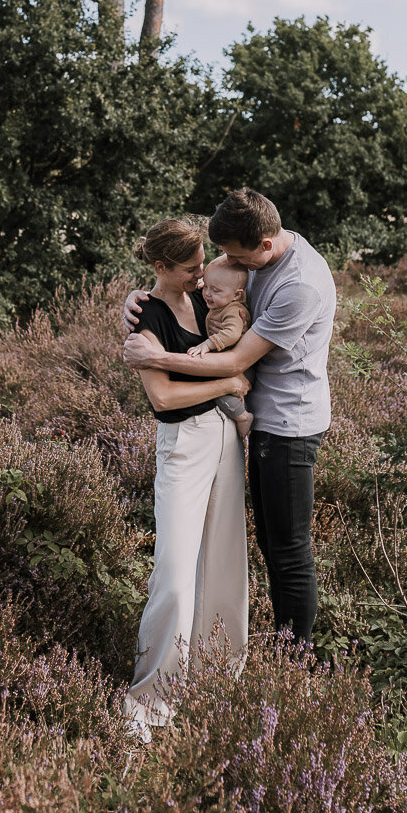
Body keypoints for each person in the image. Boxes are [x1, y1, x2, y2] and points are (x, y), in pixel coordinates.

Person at [124, 188, 336, 645]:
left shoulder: (299, 284)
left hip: (288, 425)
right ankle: (270, 647)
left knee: (290, 550)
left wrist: (154, 357)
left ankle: (295, 658)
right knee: (267, 545)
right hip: (254, 422)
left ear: (264, 243)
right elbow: (182, 298)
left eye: (234, 256)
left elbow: (236, 362)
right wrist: (140, 300)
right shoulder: (256, 259)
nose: (221, 267)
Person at [123, 217, 251, 739]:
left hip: (226, 441)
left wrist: (231, 378)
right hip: (183, 444)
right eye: (191, 267)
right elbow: (164, 398)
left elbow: (240, 313)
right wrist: (230, 379)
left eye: (204, 264)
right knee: (175, 571)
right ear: (160, 267)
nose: (202, 276)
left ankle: (216, 681)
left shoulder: (206, 298)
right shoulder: (144, 317)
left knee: (224, 565)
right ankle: (150, 698)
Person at [188, 255, 254, 438]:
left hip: (240, 367)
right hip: (230, 362)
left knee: (221, 391)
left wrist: (208, 344)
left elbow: (232, 333)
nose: (207, 293)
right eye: (206, 286)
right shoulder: (220, 302)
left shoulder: (233, 311)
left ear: (237, 295)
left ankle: (243, 417)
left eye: (215, 290)